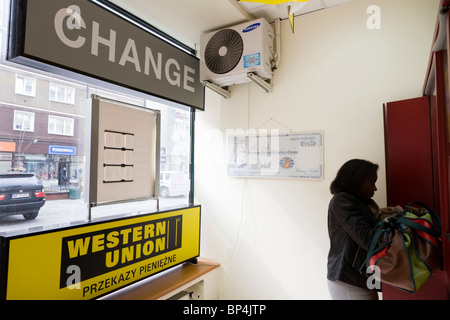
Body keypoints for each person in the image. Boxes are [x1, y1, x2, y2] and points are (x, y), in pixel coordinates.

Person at [327, 159, 402, 300]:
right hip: (349, 279)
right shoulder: (342, 201)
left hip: (363, 276)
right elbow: (368, 239)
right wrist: (390, 221)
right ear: (356, 181)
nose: (375, 188)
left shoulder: (361, 203)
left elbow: (366, 223)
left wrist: (383, 215)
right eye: (371, 183)